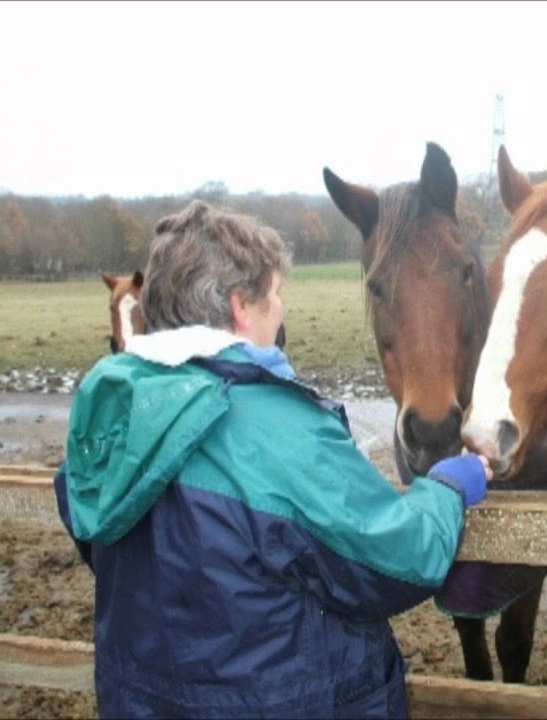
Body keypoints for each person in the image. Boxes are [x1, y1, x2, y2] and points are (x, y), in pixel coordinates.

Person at [52, 199, 491, 719]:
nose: (281, 310)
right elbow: (398, 559)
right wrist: (447, 488)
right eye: (275, 294)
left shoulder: (110, 415)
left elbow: (94, 529)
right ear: (241, 305)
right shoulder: (280, 430)